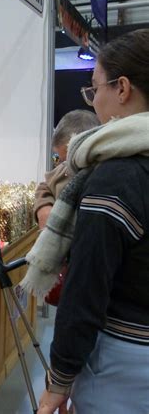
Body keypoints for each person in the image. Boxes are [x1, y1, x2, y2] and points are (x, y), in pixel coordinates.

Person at [33, 29, 149, 413]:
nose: (93, 99)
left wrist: (58, 382)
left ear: (122, 89)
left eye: (94, 88)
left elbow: (85, 290)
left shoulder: (115, 178)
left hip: (124, 365)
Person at [34, 109, 99, 229]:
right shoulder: (63, 168)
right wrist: (44, 207)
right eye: (59, 159)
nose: (63, 166)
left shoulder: (102, 176)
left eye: (68, 160)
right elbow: (45, 186)